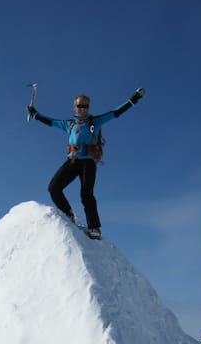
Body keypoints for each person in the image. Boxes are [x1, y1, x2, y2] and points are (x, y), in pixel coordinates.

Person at [28, 88, 144, 239]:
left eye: (85, 106)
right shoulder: (69, 124)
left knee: (86, 194)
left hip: (88, 163)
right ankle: (68, 213)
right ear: (74, 107)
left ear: (88, 107)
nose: (82, 109)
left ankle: (95, 228)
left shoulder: (95, 122)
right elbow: (51, 122)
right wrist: (35, 114)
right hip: (73, 160)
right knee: (53, 188)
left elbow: (115, 113)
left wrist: (133, 100)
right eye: (79, 106)